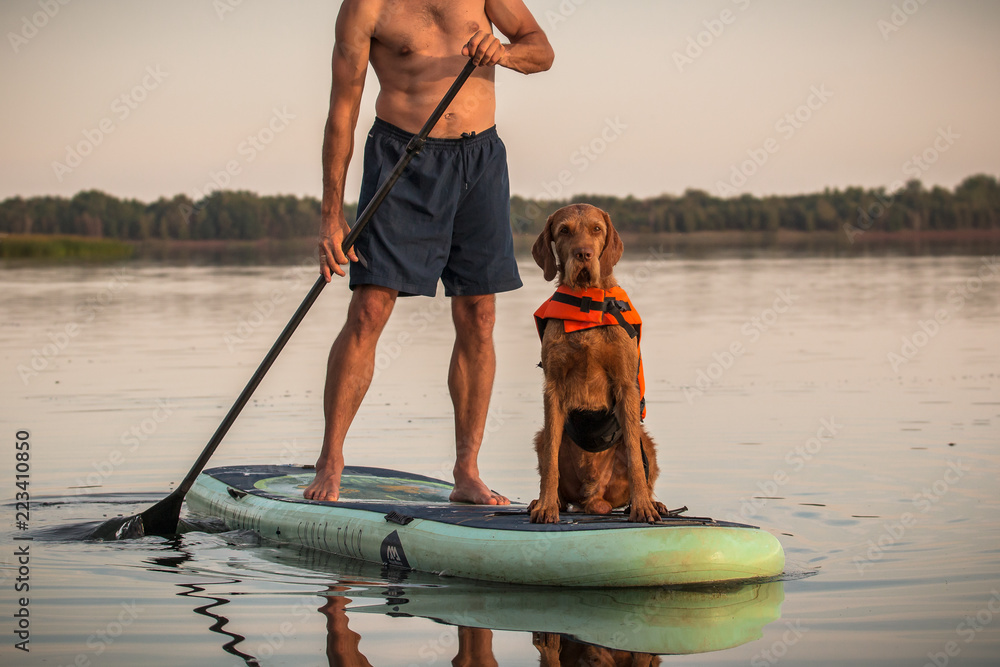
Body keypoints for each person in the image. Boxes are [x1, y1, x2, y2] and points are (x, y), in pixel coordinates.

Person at [306, 0, 554, 504]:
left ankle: (467, 472)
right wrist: (332, 216)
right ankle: (331, 460)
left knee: (480, 315)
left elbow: (542, 50)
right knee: (370, 309)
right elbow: (342, 113)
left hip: (480, 158)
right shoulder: (365, 9)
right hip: (402, 157)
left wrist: (503, 52)